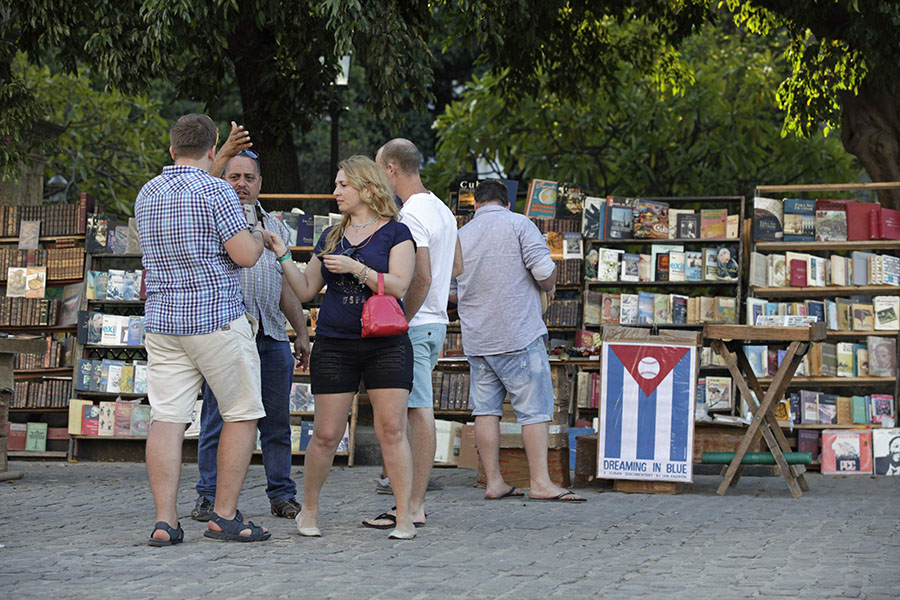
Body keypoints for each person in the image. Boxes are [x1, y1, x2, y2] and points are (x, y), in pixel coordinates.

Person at [261, 155, 418, 539]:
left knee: (392, 430)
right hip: (335, 342)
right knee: (327, 434)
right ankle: (309, 510)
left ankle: (405, 517)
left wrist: (357, 269)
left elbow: (399, 286)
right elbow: (306, 290)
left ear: (367, 188)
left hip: (386, 343)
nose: (335, 192)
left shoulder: (397, 233)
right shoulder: (331, 236)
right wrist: (283, 254)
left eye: (342, 185)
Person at [136, 113, 270, 545]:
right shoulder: (218, 191)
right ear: (213, 150)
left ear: (172, 149)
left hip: (162, 322)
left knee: (167, 419)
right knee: (242, 413)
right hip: (214, 318)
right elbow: (246, 255)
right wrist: (256, 236)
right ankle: (224, 515)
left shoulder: (147, 193)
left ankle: (164, 521)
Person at [190, 147, 312, 523]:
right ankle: (209, 497)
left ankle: (281, 495)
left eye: (249, 178)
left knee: (276, 423)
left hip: (272, 336)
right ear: (222, 180)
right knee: (217, 420)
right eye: (234, 177)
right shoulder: (210, 219)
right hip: (226, 335)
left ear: (260, 183)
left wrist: (302, 333)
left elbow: (287, 288)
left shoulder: (275, 226)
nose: (241, 184)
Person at [451, 180, 585, 502]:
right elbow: (544, 273)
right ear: (507, 202)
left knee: (485, 411)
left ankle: (494, 481)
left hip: (479, 339)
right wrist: (550, 284)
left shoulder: (461, 236)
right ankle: (540, 482)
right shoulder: (520, 224)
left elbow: (451, 294)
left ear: (475, 205)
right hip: (517, 334)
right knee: (534, 411)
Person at [360, 139, 462, 529]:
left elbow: (420, 275)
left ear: (390, 170)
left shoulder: (412, 215)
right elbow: (456, 265)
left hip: (416, 324)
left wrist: (401, 315)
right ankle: (410, 502)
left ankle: (412, 505)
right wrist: (432, 299)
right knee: (413, 410)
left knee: (415, 413)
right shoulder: (441, 209)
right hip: (435, 321)